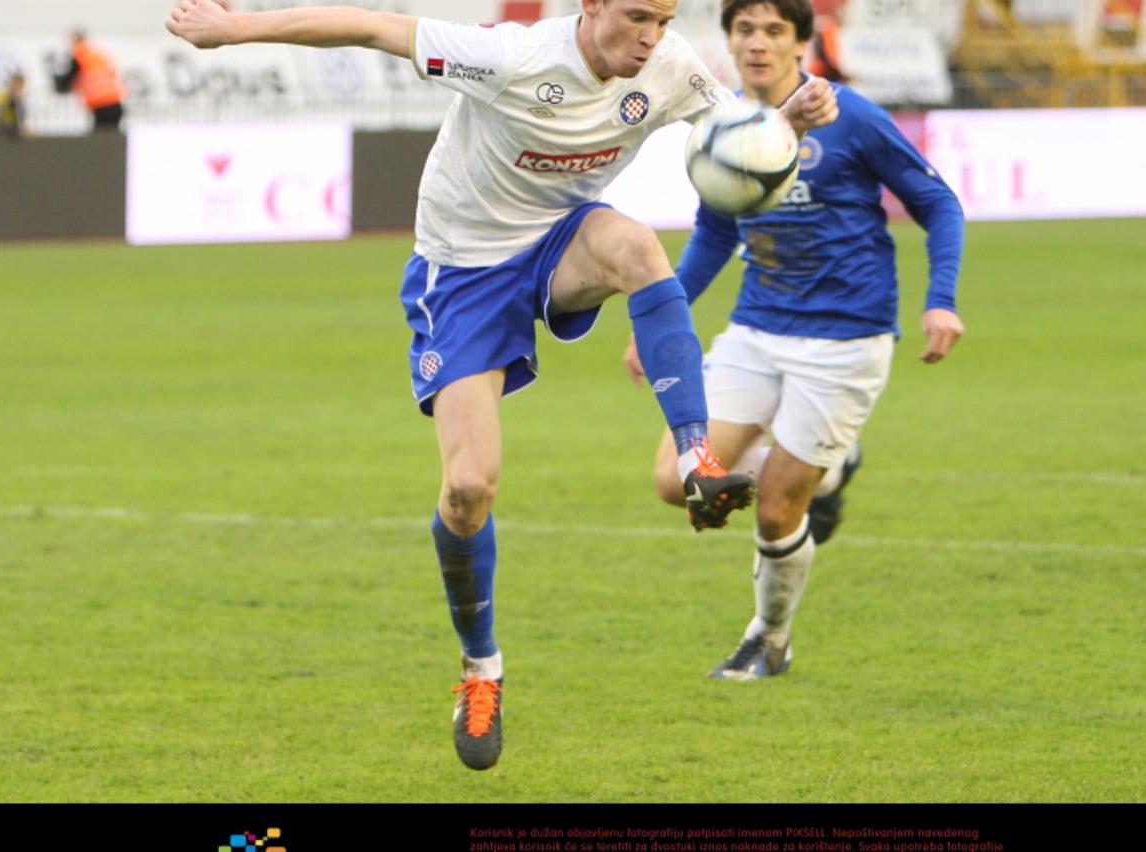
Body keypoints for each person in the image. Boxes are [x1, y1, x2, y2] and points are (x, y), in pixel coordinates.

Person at [165, 0, 839, 770]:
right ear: (590, 6)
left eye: (663, 17)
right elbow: (372, 27)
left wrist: (789, 118)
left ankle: (698, 458)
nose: (651, 35)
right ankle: (481, 668)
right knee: (468, 489)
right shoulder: (512, 57)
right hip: (462, 275)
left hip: (560, 242)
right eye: (636, 16)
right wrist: (235, 29)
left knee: (636, 245)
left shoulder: (672, 66)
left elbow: (737, 138)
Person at [626, 0, 964, 680]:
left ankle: (769, 639)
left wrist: (941, 301)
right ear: (727, 40)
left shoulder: (852, 118)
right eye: (744, 29)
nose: (757, 44)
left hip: (845, 340)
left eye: (774, 31)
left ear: (801, 43)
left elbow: (938, 204)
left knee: (779, 506)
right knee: (675, 478)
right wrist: (664, 317)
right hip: (757, 329)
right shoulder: (726, 124)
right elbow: (718, 231)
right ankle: (826, 464)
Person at [52, 29, 126, 132]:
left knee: (100, 136)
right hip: (114, 100)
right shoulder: (96, 54)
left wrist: (59, 86)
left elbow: (69, 77)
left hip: (101, 102)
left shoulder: (80, 55)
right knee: (110, 136)